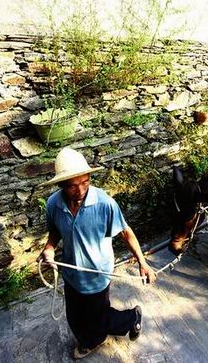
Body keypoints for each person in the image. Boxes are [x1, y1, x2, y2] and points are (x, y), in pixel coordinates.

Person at [37, 148, 157, 359]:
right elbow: (55, 231)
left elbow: (126, 233)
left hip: (97, 275)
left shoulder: (105, 204)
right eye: (72, 186)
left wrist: (143, 262)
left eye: (85, 182)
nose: (80, 190)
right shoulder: (54, 204)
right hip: (71, 274)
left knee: (97, 319)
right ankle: (91, 335)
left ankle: (123, 323)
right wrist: (48, 248)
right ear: (61, 185)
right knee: (74, 315)